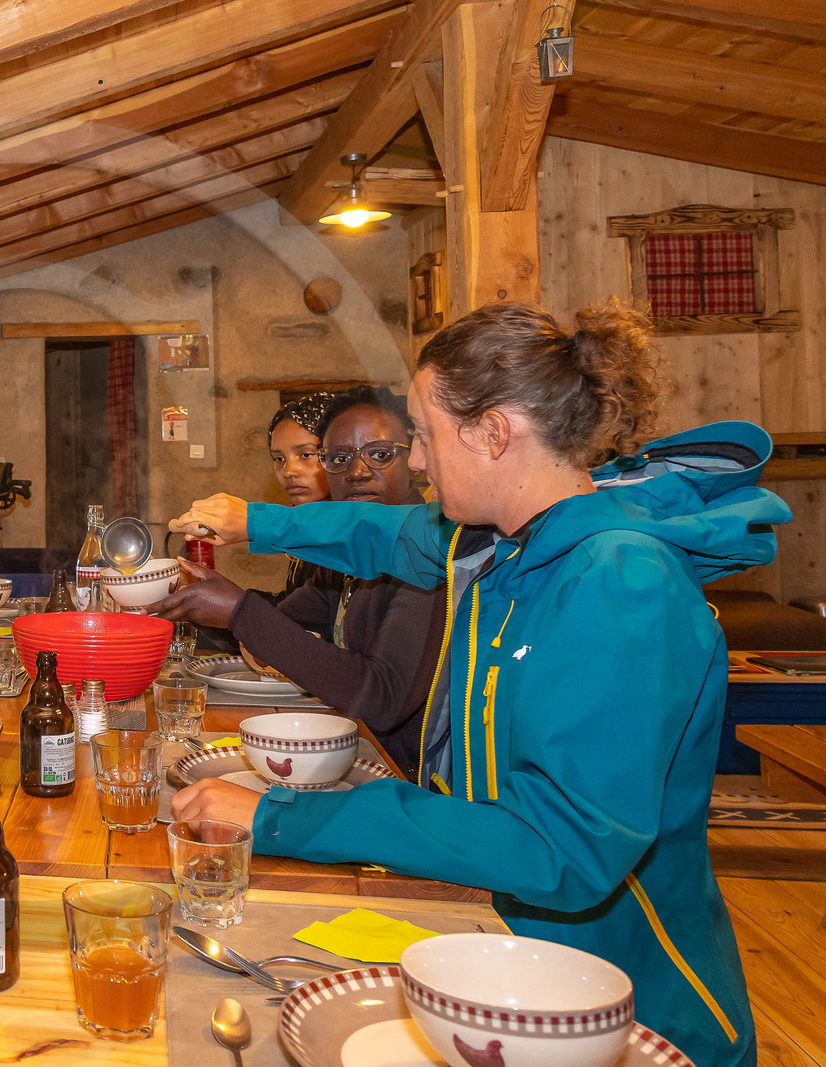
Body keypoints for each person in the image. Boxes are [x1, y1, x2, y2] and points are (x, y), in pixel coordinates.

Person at [171, 301, 785, 1067]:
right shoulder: (496, 544)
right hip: (497, 962)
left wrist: (280, 817)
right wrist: (253, 521)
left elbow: (558, 847)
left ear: (494, 431)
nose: (418, 461)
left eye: (425, 434)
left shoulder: (619, 584)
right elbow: (382, 533)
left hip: (620, 1012)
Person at [155, 387, 444, 774]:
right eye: (340, 459)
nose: (357, 471)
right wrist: (206, 598)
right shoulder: (343, 558)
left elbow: (382, 697)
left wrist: (238, 610)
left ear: (416, 460)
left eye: (380, 454)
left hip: (398, 775)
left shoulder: (429, 558)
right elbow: (283, 620)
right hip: (347, 747)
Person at [265, 392, 333, 594]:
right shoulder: (307, 529)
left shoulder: (345, 538)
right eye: (279, 459)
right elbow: (293, 610)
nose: (288, 471)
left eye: (306, 455)